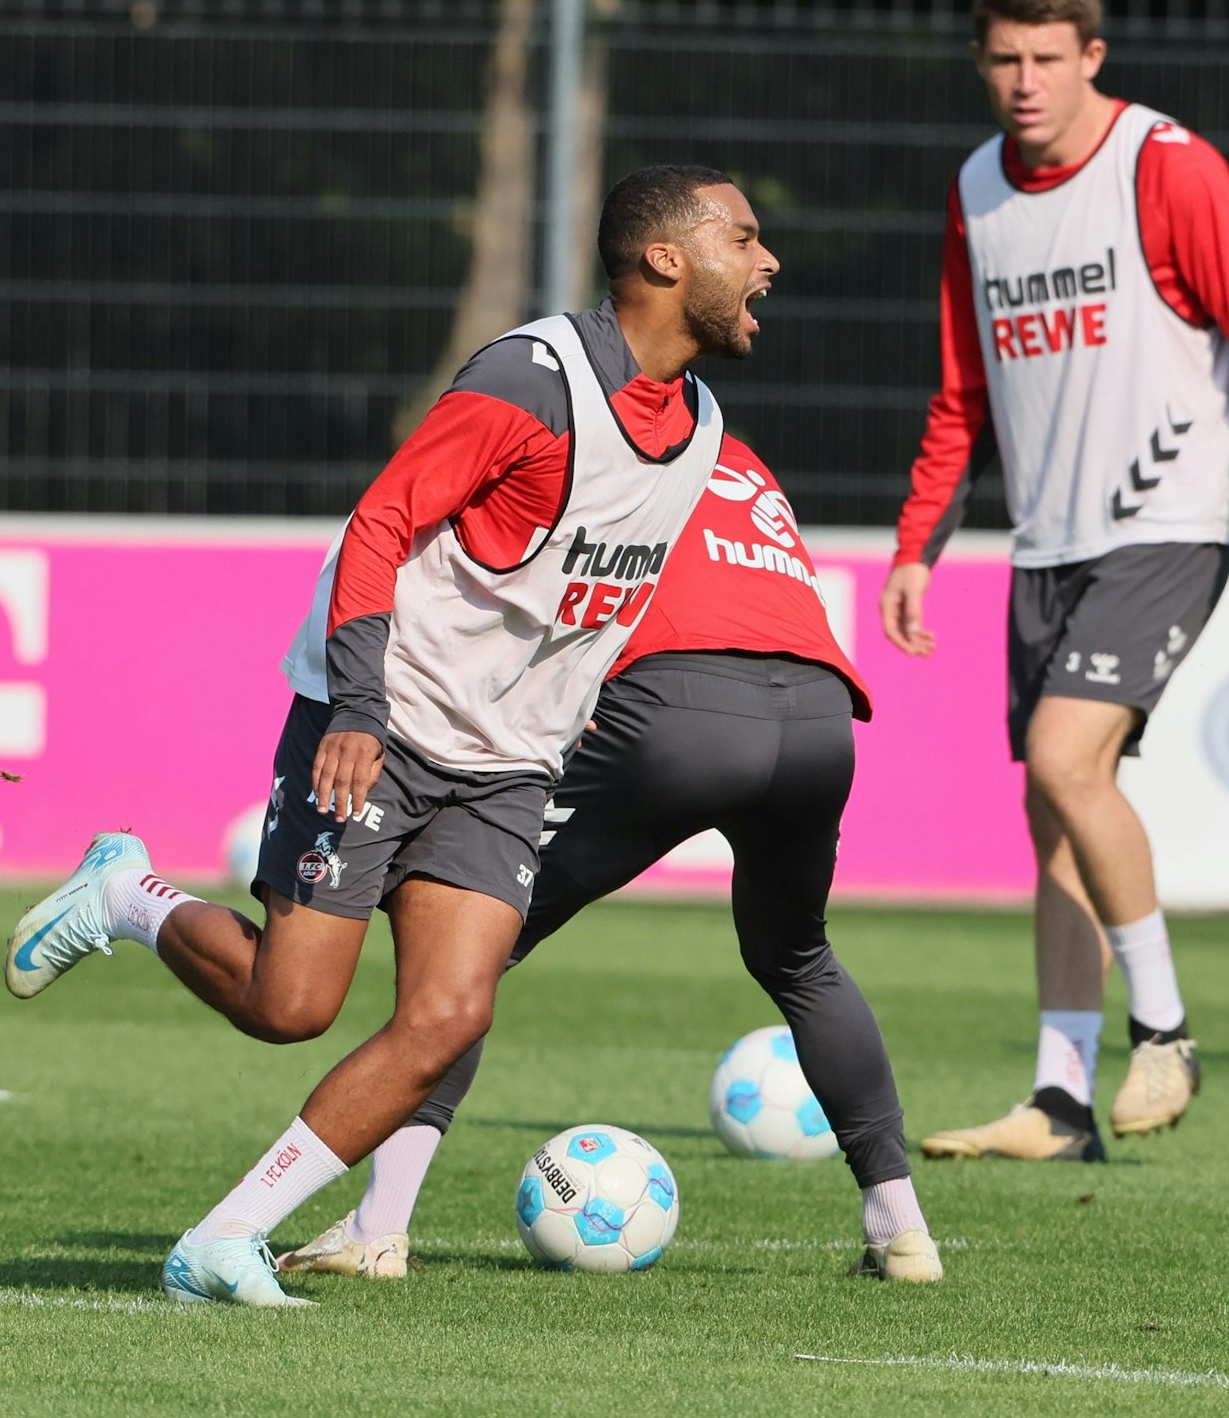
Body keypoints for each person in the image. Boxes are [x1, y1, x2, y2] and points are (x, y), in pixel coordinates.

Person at [4, 165, 775, 1306]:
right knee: (290, 1007)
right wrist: (358, 706)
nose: (766, 261)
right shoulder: (532, 382)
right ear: (665, 258)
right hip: (385, 715)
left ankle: (225, 1238)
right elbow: (381, 521)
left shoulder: (700, 424)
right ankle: (126, 894)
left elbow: (598, 595)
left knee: (451, 1014)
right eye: (743, 237)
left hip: (507, 763)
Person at [275, 435, 943, 1285]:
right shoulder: (735, 451)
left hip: (674, 706)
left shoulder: (595, 437)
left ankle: (378, 1229)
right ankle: (901, 1230)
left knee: (467, 949)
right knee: (799, 958)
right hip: (819, 717)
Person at [880, 0, 1229, 1161]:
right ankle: (1060, 1100)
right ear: (980, 63)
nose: (1024, 81)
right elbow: (960, 388)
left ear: (1091, 59)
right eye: (1003, 59)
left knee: (1067, 760)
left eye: (1046, 58)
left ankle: (1163, 1030)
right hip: (1047, 541)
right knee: (1051, 809)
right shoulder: (976, 187)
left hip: (1168, 522)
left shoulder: (1163, 165)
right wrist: (915, 546)